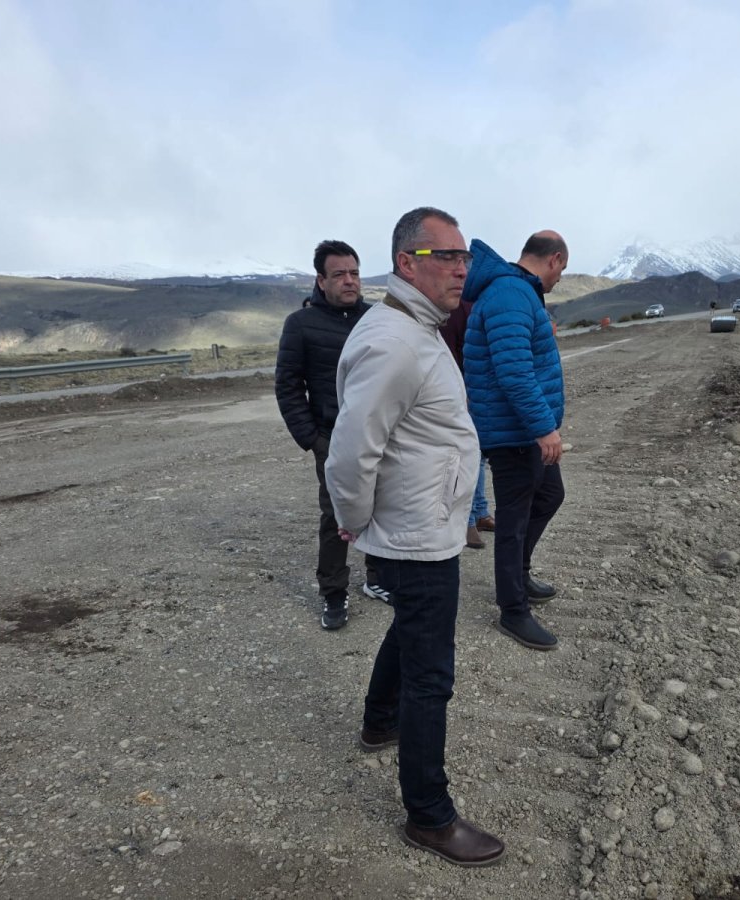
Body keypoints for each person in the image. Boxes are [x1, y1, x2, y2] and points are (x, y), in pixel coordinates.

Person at [326, 207, 505, 867]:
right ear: (407, 263)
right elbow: (351, 450)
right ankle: (429, 816)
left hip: (424, 522)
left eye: (464, 257)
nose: (462, 268)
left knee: (409, 629)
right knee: (432, 676)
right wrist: (353, 520)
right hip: (416, 532)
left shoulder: (415, 328)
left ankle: (380, 722)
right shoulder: (396, 341)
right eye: (446, 257)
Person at [273, 240, 393, 633]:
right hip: (332, 438)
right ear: (321, 280)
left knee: (381, 506)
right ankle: (333, 592)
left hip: (380, 434)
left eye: (354, 273)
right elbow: (288, 385)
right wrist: (312, 438)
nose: (349, 281)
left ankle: (377, 577)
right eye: (339, 274)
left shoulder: (377, 318)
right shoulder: (300, 324)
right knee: (336, 514)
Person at [463, 231, 568, 651]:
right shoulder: (510, 294)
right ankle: (512, 609)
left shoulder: (516, 291)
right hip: (514, 433)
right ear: (554, 259)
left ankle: (518, 576)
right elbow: (514, 372)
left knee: (550, 495)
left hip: (521, 429)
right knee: (514, 519)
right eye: (562, 270)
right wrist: (544, 427)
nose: (559, 278)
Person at [438, 299, 493, 550]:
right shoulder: (456, 304)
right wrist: (461, 388)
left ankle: (479, 512)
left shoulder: (476, 301)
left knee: (479, 453)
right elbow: (451, 350)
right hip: (462, 386)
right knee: (468, 453)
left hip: (476, 386)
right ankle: (467, 520)